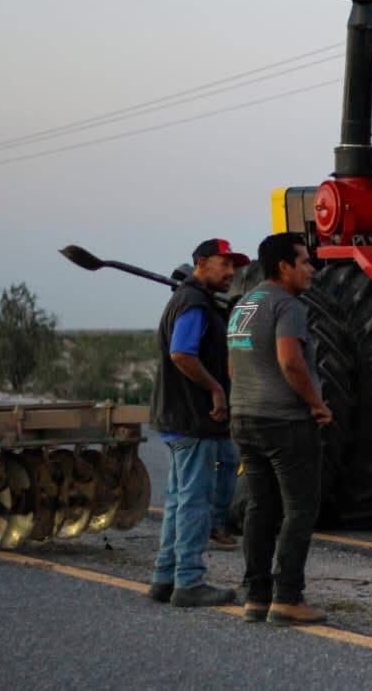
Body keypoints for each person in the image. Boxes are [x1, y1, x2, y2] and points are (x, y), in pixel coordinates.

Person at [227, 232, 333, 626]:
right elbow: (290, 361)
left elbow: (234, 365)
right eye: (305, 262)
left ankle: (256, 597)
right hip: (285, 422)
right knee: (300, 508)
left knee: (260, 506)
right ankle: (288, 597)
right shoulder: (287, 306)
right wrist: (317, 404)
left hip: (245, 418)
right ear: (283, 267)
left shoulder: (245, 304)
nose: (311, 269)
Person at [147, 238, 248, 608]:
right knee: (193, 499)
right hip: (192, 417)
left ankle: (165, 576)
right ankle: (189, 580)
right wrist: (216, 390)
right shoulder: (193, 303)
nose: (231, 272)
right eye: (225, 264)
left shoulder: (195, 301)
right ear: (202, 263)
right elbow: (181, 353)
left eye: (234, 266)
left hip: (179, 417)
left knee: (179, 498)